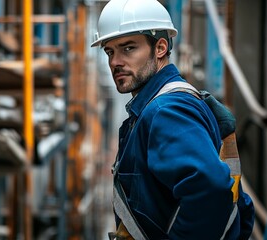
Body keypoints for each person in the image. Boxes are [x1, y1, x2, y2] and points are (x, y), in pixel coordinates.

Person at [91, 0, 255, 239]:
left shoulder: (166, 110)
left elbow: (209, 191)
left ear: (160, 48)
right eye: (110, 51)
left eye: (128, 49)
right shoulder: (158, 105)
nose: (115, 62)